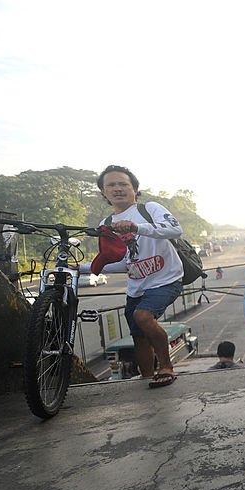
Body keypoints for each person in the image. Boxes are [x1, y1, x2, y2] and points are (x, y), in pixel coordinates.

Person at [86, 164, 185, 388]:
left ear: (134, 188)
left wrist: (137, 227)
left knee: (143, 316)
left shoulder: (149, 208)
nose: (118, 188)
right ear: (103, 192)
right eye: (111, 185)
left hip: (166, 278)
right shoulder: (105, 225)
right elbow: (120, 261)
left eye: (123, 184)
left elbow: (175, 229)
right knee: (138, 335)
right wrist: (83, 268)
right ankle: (147, 377)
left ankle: (166, 366)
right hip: (137, 286)